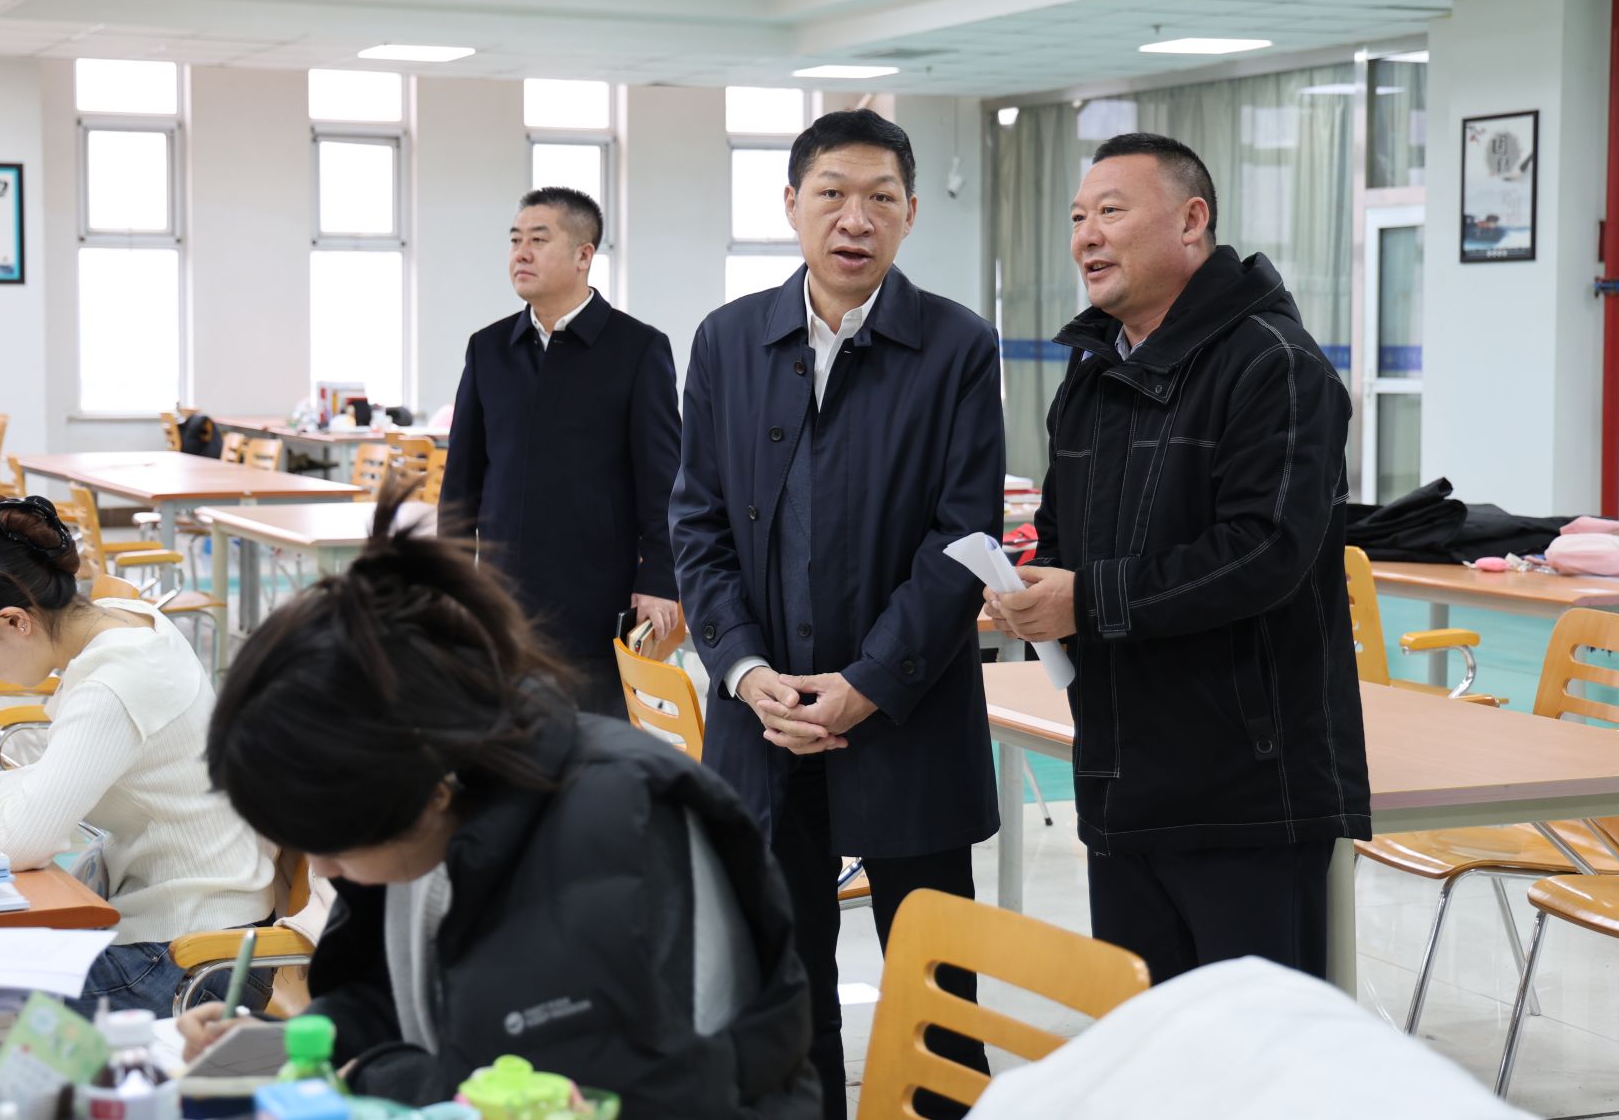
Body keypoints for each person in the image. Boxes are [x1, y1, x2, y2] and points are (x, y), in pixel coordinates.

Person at [180, 480, 819, 1118]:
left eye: (331, 846)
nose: (322, 869)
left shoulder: (625, 828)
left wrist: (362, 1076)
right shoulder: (421, 804)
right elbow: (379, 1001)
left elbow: (591, 1096)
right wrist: (278, 1050)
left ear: (425, 790)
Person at [671, 108, 1004, 1119]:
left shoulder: (957, 345)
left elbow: (960, 539)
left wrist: (865, 683)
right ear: (790, 205)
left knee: (938, 1003)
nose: (854, 218)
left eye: (879, 198)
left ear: (910, 214)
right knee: (783, 1000)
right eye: (831, 194)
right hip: (763, 723)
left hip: (905, 716)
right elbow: (697, 524)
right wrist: (744, 671)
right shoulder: (728, 341)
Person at [983, 131, 1368, 986]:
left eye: (1111, 212)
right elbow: (1062, 532)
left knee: (1253, 1046)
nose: (1086, 235)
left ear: (1192, 222)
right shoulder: (1094, 374)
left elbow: (1263, 550)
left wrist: (1086, 601)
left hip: (1247, 792)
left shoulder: (1275, 365)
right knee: (1153, 1038)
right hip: (1123, 776)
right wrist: (1037, 587)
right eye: (1077, 217)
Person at [0, 494, 274, 1014]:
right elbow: (63, 774)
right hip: (196, 932)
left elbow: (19, 843)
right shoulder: (128, 622)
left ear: (15, 621)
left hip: (188, 962)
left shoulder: (111, 684)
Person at [440, 186, 683, 717]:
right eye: (515, 241)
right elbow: (460, 484)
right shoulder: (488, 349)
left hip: (595, 602)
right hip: (502, 602)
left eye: (538, 240)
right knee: (504, 743)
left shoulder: (637, 349)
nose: (520, 254)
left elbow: (663, 483)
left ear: (583, 255)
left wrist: (660, 582)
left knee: (593, 748)